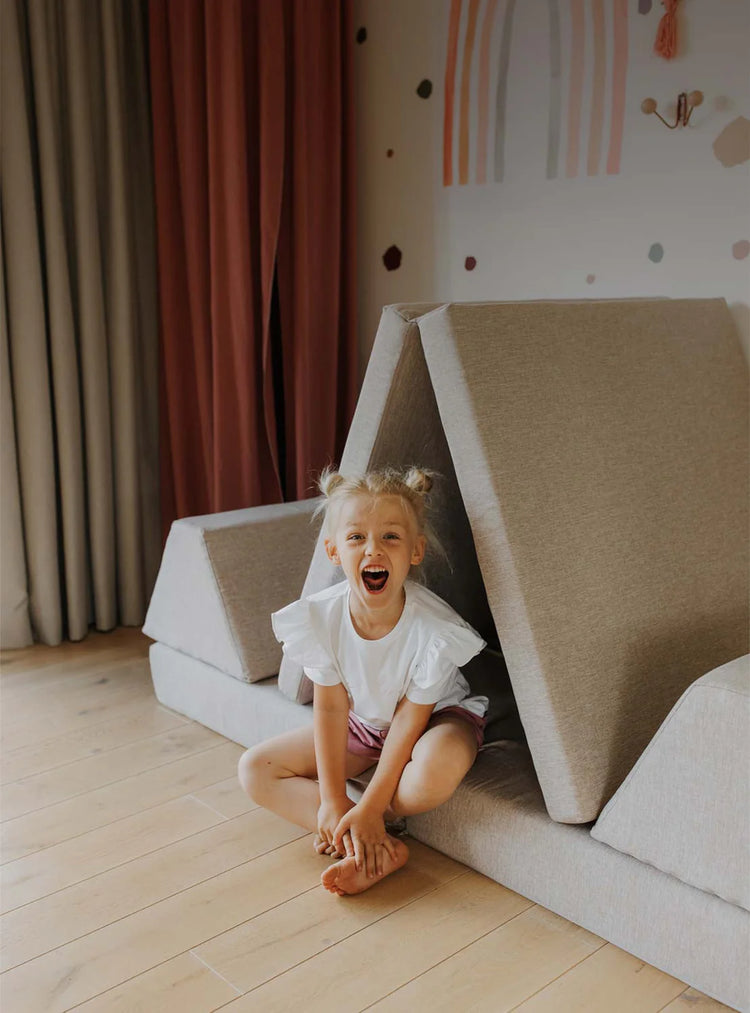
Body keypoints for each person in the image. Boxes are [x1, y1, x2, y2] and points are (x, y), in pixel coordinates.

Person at [237, 466, 488, 896]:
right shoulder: (321, 617)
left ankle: (366, 826)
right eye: (356, 537)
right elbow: (331, 708)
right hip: (366, 726)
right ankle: (371, 846)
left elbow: (410, 720)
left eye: (390, 537)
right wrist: (332, 799)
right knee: (255, 770)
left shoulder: (434, 629)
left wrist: (371, 805)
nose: (374, 549)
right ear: (334, 551)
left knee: (435, 769)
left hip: (436, 720)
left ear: (415, 550)